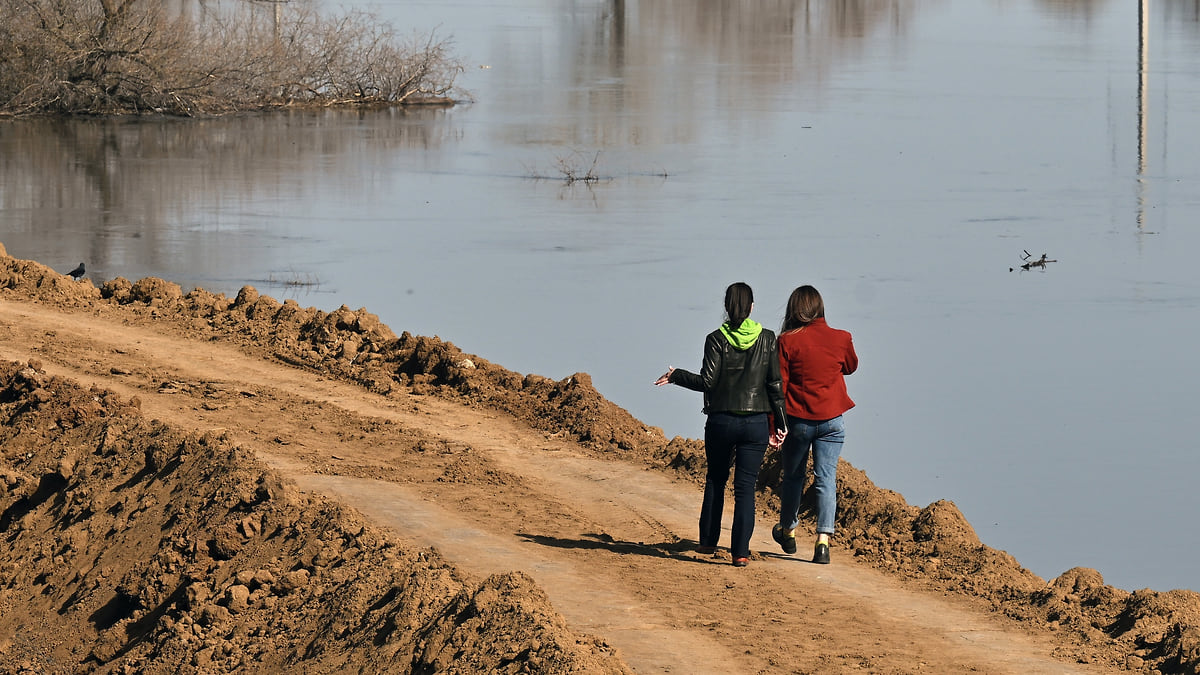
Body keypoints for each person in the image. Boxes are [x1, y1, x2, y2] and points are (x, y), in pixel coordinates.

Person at [656, 282, 787, 567]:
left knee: (716, 479)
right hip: (755, 424)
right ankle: (740, 553)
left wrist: (676, 375)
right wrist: (782, 423)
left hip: (721, 422)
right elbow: (774, 385)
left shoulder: (715, 338)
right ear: (752, 306)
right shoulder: (767, 338)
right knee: (745, 488)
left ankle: (707, 541)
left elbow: (707, 382)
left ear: (726, 308)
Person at [771, 285, 858, 564]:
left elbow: (779, 387)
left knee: (794, 477)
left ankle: (788, 530)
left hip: (799, 422)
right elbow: (851, 366)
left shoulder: (787, 341)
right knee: (826, 479)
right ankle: (823, 541)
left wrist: (773, 424)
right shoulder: (842, 337)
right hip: (832, 420)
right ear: (820, 308)